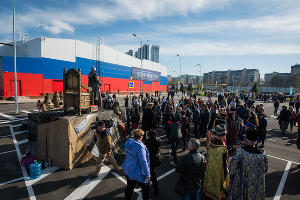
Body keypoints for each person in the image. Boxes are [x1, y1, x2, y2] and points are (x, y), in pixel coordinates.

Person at [227, 130, 268, 200]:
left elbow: (233, 165)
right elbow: (266, 168)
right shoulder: (263, 154)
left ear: (246, 140)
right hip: (256, 182)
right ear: (256, 141)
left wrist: (230, 176)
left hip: (243, 181)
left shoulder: (241, 151)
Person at [122, 129, 150, 200]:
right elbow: (143, 162)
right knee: (145, 187)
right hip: (137, 171)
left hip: (128, 168)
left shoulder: (129, 142)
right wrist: (147, 174)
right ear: (140, 136)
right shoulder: (140, 147)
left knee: (129, 187)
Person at [203, 125, 229, 200]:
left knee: (210, 179)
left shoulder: (211, 142)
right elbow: (225, 163)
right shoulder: (223, 148)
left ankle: (208, 192)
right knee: (217, 182)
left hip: (211, 166)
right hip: (218, 169)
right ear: (222, 135)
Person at [145, 129, 162, 196]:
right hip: (157, 158)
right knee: (153, 173)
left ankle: (156, 190)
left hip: (151, 160)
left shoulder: (147, 141)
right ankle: (155, 188)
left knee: (153, 174)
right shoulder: (158, 140)